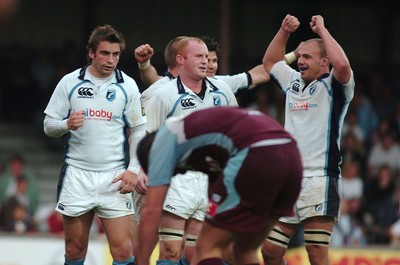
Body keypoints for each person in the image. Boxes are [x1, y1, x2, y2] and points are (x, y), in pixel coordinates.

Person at [135, 106, 303, 265]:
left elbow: (151, 210)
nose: (177, 174)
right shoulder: (205, 143)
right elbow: (215, 190)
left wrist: (141, 262)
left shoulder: (164, 140)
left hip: (256, 153)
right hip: (292, 158)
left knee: (205, 248)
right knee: (245, 250)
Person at [43, 24, 146, 265]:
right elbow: (49, 125)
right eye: (105, 53)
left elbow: (139, 129)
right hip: (77, 175)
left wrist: (133, 169)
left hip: (114, 176)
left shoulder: (128, 85)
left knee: (123, 250)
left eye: (116, 54)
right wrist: (66, 124)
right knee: (75, 249)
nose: (111, 60)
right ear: (91, 53)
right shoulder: (70, 82)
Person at [261, 14, 355, 265]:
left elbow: (343, 66)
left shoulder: (335, 86)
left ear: (325, 62)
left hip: (320, 179)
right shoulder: (293, 83)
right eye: (299, 56)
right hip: (290, 180)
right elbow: (270, 62)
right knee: (270, 250)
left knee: (315, 251)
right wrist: (283, 31)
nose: (300, 61)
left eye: (307, 57)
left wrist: (323, 30)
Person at [144, 37, 238, 265]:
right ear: (181, 59)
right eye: (199, 56)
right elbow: (147, 138)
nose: (205, 61)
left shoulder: (222, 91)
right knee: (170, 251)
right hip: (177, 179)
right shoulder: (163, 95)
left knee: (197, 254)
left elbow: (237, 129)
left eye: (207, 57)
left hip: (210, 182)